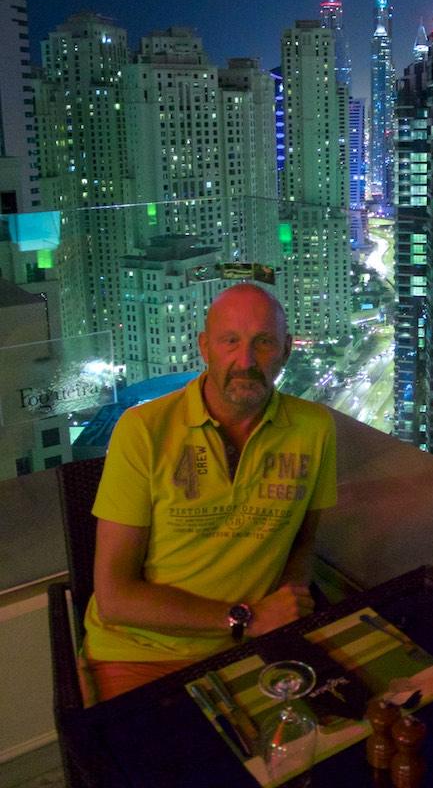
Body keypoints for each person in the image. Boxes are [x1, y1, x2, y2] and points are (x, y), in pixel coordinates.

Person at [80, 282, 337, 703]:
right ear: (204, 347)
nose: (246, 361)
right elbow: (115, 598)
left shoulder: (315, 428)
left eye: (264, 342)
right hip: (139, 653)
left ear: (287, 350)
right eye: (230, 341)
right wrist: (246, 619)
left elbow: (303, 540)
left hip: (251, 649)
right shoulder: (142, 430)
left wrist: (288, 607)